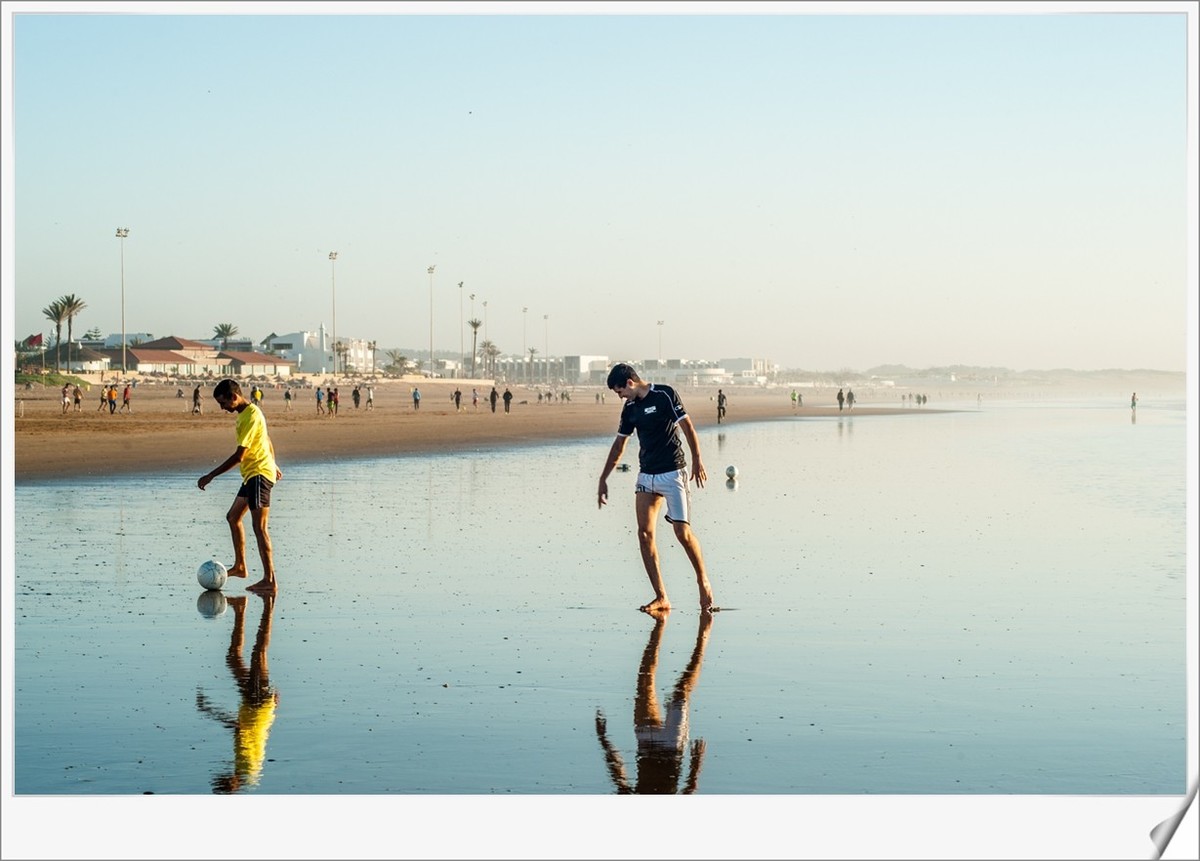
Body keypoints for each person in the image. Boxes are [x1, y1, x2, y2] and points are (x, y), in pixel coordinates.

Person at [597, 363, 715, 614]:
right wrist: (603, 478)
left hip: (673, 473)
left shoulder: (664, 394)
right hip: (647, 475)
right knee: (644, 534)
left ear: (630, 383)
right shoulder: (630, 409)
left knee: (682, 533)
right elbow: (619, 445)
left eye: (620, 391)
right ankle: (661, 597)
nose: (620, 397)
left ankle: (702, 579)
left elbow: (687, 427)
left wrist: (697, 459)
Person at [595, 610, 712, 794]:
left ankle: (660, 624)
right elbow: (689, 789)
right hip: (669, 745)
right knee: (680, 691)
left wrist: (604, 740)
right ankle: (703, 636)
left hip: (648, 743)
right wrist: (695, 768)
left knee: (645, 680)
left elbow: (620, 778)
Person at [197, 379, 281, 595]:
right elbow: (266, 438)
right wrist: (274, 463)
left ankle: (270, 580)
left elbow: (239, 456)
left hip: (259, 474)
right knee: (233, 517)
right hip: (253, 474)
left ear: (234, 397)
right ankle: (241, 566)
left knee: (260, 528)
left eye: (223, 403)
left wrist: (211, 475)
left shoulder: (251, 415)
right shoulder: (246, 414)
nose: (222, 408)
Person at [195, 593, 279, 793]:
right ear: (232, 785)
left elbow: (259, 736)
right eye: (225, 780)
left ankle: (240, 609)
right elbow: (239, 727)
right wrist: (209, 710)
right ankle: (267, 607)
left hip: (255, 704)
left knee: (233, 659)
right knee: (259, 651)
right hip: (257, 702)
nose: (225, 775)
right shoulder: (247, 768)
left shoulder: (251, 775)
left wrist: (272, 709)